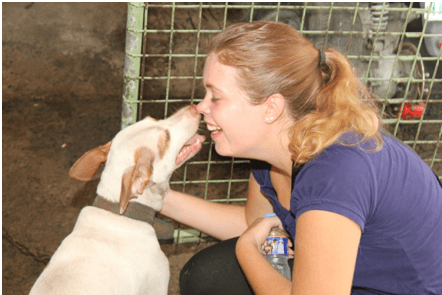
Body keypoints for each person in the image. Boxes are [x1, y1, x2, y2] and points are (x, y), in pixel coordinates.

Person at [159, 21, 442, 295]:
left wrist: (246, 251)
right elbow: (255, 224)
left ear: (272, 108)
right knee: (205, 276)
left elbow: (250, 241)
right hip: (355, 279)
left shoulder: (335, 173)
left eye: (215, 97)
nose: (200, 106)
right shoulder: (277, 148)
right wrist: (156, 195)